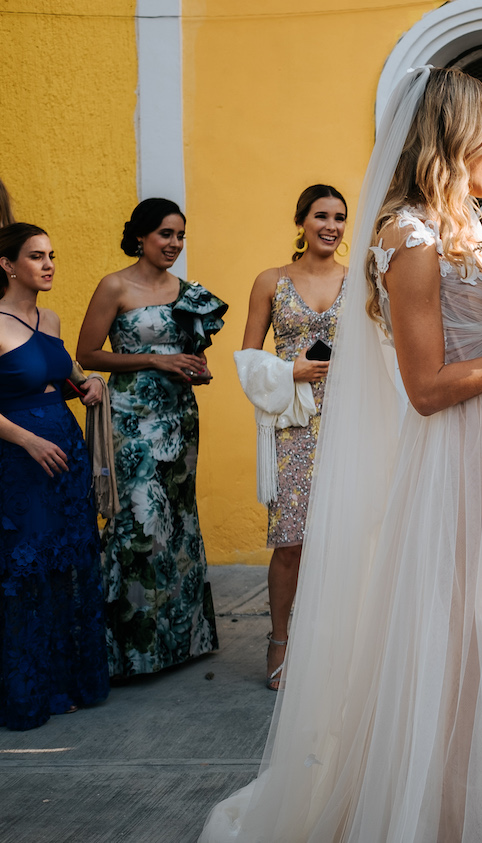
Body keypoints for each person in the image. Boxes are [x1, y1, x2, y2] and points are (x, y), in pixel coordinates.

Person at [198, 66, 482, 841]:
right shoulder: (407, 235)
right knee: (454, 639)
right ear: (455, 133)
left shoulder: (471, 225)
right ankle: (431, 811)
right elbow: (426, 386)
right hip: (455, 453)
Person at [76, 198, 228, 679]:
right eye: (165, 234)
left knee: (178, 522)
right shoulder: (115, 286)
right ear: (141, 235)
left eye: (181, 235)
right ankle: (129, 650)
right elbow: (88, 355)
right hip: (130, 422)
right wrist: (155, 360)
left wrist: (194, 370)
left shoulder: (188, 292)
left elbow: (188, 355)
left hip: (179, 418)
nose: (174, 244)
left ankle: (180, 642)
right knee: (138, 524)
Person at [237, 184, 348, 690]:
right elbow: (248, 360)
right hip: (293, 426)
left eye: (339, 218)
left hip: (349, 420)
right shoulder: (271, 281)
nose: (331, 225)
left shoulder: (361, 283)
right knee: (291, 542)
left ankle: (333, 645)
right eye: (321, 216)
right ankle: (279, 641)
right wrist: (291, 371)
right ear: (301, 221)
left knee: (343, 541)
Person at [0, 223, 109, 729]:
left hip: (66, 454)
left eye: (51, 255)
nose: (48, 264)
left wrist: (86, 389)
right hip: (20, 462)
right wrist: (25, 439)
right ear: (7, 264)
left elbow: (54, 381)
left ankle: (65, 682)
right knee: (27, 570)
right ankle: (26, 693)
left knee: (67, 565)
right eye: (36, 256)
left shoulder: (51, 318)